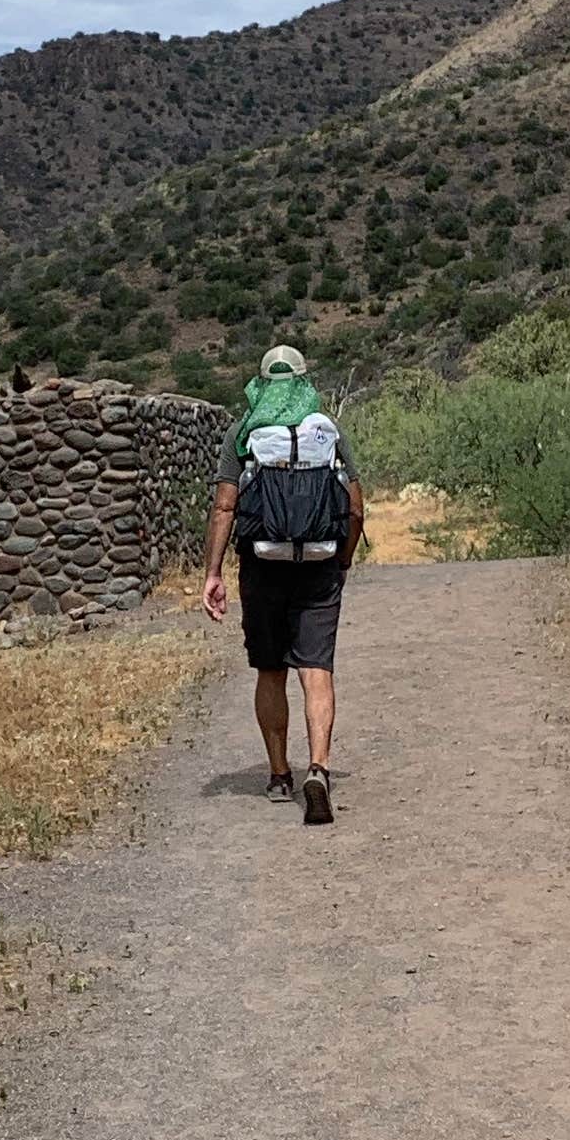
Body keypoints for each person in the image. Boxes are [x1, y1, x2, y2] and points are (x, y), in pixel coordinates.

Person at [201, 343, 365, 826]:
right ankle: (319, 768)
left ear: (260, 383)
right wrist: (343, 562)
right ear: (303, 380)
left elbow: (225, 506)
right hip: (319, 565)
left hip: (262, 566)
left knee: (270, 670)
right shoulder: (326, 430)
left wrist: (213, 573)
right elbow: (355, 508)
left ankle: (278, 774)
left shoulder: (243, 432)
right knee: (316, 669)